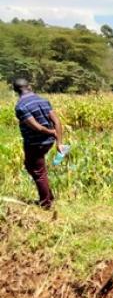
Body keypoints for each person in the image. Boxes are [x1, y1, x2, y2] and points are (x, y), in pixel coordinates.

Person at [13, 78, 64, 209]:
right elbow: (57, 122)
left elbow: (37, 127)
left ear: (16, 91)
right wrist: (59, 142)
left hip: (35, 143)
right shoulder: (43, 100)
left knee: (38, 172)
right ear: (29, 86)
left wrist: (51, 132)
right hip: (48, 142)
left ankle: (46, 203)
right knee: (32, 167)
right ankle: (48, 196)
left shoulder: (21, 106)